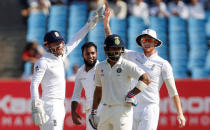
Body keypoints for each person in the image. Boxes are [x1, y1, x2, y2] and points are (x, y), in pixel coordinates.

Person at [103, 7, 186, 130]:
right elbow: (112, 45)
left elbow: (173, 92)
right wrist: (106, 25)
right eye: (143, 40)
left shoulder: (163, 64)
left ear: (155, 43)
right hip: (131, 106)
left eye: (149, 40)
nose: (146, 42)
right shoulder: (132, 56)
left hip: (149, 108)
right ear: (140, 43)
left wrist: (180, 113)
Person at [30, 6, 105, 130]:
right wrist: (36, 104)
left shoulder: (60, 56)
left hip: (60, 105)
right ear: (47, 45)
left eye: (60, 42)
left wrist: (88, 24)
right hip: (49, 105)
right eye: (56, 43)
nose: (60, 46)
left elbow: (75, 40)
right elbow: (34, 84)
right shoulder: (43, 62)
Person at [88, 34, 151, 130]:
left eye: (118, 48)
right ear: (106, 50)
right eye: (113, 48)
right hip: (105, 109)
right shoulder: (100, 67)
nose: (116, 51)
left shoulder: (127, 65)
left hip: (122, 110)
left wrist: (131, 94)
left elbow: (146, 79)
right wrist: (93, 111)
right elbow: (98, 90)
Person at [71, 42, 101, 130]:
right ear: (82, 55)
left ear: (97, 54)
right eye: (87, 54)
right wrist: (73, 112)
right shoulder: (80, 71)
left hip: (104, 109)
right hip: (90, 111)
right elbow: (76, 95)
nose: (91, 56)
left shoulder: (102, 68)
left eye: (93, 53)